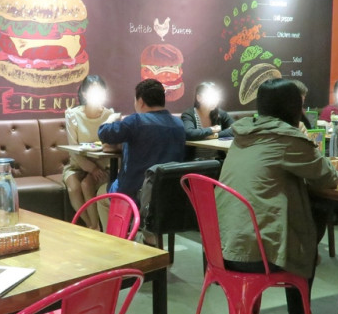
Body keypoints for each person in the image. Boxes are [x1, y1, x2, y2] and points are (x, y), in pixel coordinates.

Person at [216, 78, 338, 314]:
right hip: (254, 254)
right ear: (295, 107)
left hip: (221, 249)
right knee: (311, 225)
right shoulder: (287, 139)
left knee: (297, 216)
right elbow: (329, 177)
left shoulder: (244, 134)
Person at [97, 78, 185, 209]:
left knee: (100, 193)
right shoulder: (179, 124)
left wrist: (110, 119)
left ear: (141, 101)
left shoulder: (136, 121)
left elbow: (104, 133)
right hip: (167, 195)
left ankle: (119, 223)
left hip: (134, 193)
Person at [62, 75, 114, 230]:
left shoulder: (109, 115)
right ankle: (91, 225)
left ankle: (94, 227)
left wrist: (98, 168)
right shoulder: (72, 115)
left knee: (86, 184)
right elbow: (73, 150)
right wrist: (91, 168)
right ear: (84, 94)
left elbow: (112, 146)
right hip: (77, 165)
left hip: (103, 165)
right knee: (73, 188)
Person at [181, 81, 233, 160]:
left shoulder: (220, 114)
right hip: (195, 162)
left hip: (217, 161)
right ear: (199, 98)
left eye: (216, 97)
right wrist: (212, 129)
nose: (214, 100)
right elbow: (189, 133)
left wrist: (216, 135)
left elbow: (235, 129)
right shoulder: (189, 114)